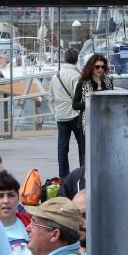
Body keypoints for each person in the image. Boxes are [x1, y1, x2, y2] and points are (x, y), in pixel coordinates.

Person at [51, 48, 83, 179]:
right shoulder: (76, 76)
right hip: (75, 115)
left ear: (64, 59)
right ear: (76, 60)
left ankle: (64, 176)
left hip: (61, 116)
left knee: (62, 148)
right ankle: (83, 172)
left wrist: (56, 110)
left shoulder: (55, 76)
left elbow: (50, 96)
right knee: (82, 145)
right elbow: (79, 96)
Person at [72, 54, 114, 133]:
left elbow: (112, 100)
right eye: (97, 67)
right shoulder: (82, 83)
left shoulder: (108, 82)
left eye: (103, 67)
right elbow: (75, 105)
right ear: (91, 67)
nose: (100, 69)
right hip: (87, 122)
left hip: (105, 122)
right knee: (85, 145)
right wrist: (91, 102)